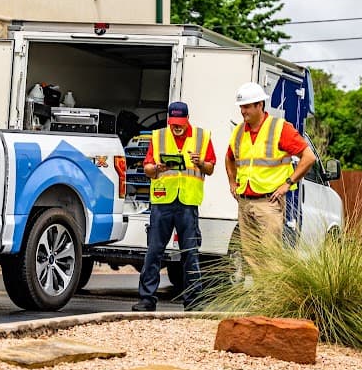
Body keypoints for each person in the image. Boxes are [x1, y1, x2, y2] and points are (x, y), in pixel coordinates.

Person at [132, 101, 216, 312]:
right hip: (163, 201)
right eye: (173, 123)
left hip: (188, 203)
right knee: (154, 251)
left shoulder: (201, 137)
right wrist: (157, 168)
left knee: (190, 252)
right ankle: (147, 299)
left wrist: (200, 163)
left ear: (187, 119)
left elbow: (211, 168)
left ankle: (194, 302)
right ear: (169, 119)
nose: (176, 127)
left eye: (180, 123)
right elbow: (148, 169)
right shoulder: (159, 136)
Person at [225, 82, 317, 247]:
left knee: (269, 255)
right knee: (249, 256)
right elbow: (229, 157)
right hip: (244, 202)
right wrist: (232, 182)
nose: (242, 111)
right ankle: (252, 275)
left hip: (268, 203)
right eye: (241, 107)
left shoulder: (280, 128)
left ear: (259, 105)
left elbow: (309, 157)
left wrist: (287, 184)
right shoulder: (239, 131)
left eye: (246, 107)